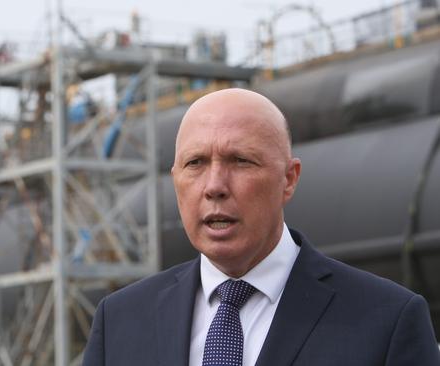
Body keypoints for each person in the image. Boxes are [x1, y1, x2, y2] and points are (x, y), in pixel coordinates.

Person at [82, 88, 440, 366]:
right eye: (195, 163)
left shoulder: (387, 321)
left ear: (288, 179)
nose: (214, 185)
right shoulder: (119, 322)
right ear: (175, 179)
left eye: (240, 161)